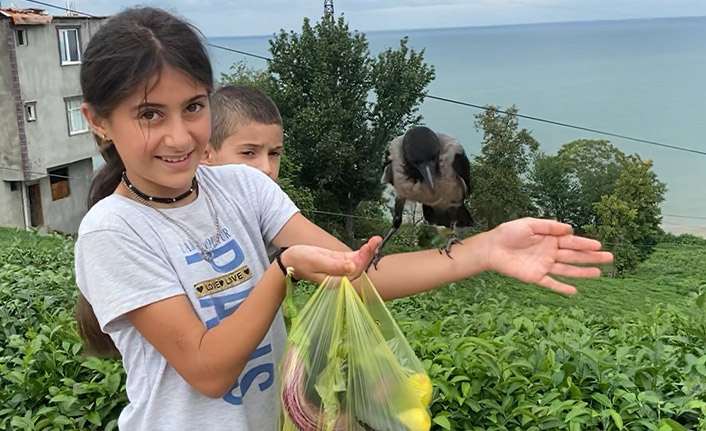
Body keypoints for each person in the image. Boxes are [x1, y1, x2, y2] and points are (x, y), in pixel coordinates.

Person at [74, 7, 613, 430]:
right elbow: (208, 370)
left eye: (194, 107)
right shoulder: (112, 232)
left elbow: (353, 268)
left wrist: (485, 250)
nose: (179, 135)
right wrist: (281, 270)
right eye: (149, 114)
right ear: (98, 122)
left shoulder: (240, 187)